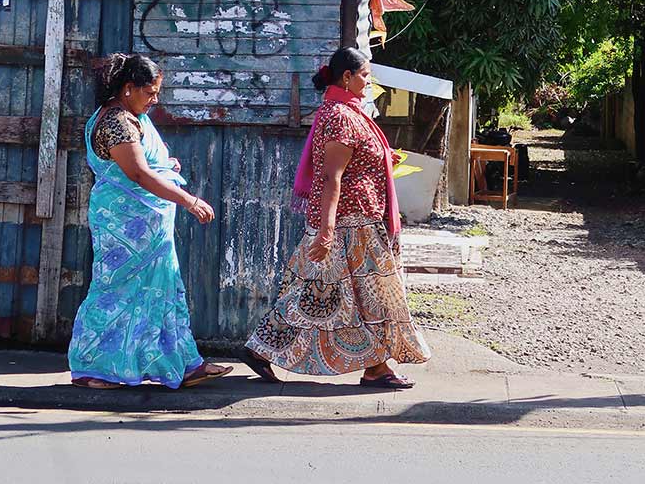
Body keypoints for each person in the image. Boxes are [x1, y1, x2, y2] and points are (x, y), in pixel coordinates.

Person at [242, 47, 430, 388]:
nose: (368, 82)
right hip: (347, 223)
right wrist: (327, 230)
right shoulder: (341, 116)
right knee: (346, 294)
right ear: (347, 76)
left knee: (349, 294)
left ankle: (374, 367)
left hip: (358, 219)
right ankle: (373, 368)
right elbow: (331, 176)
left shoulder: (347, 111)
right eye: (364, 76)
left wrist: (385, 160)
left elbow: (353, 162)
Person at [68, 53, 232, 389]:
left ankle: (182, 363)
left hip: (144, 228)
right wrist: (189, 200)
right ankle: (95, 368)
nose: (155, 100)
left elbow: (142, 163)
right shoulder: (117, 122)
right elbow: (138, 173)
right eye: (151, 92)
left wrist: (165, 165)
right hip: (126, 226)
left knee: (161, 290)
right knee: (116, 290)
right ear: (128, 88)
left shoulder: (127, 117)